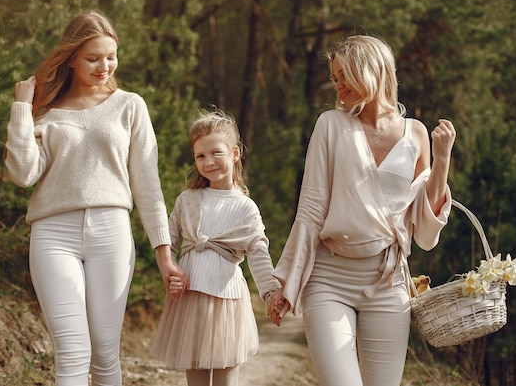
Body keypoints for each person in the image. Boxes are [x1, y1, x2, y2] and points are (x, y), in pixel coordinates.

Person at [4, 10, 186, 386]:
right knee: (72, 353)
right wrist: (22, 107)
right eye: (92, 58)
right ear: (71, 57)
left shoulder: (130, 105)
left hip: (111, 234)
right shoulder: (46, 111)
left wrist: (164, 255)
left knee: (104, 354)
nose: (104, 66)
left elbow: (147, 184)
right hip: (53, 236)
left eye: (111, 56)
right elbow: (23, 174)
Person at [267, 35, 457, 386]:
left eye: (343, 76)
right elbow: (310, 208)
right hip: (328, 279)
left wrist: (442, 159)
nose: (337, 85)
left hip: (388, 283)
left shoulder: (415, 134)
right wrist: (288, 283)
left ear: (369, 71)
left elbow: (426, 231)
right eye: (334, 78)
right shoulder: (330, 125)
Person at [150, 110, 282, 386]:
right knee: (195, 374)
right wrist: (172, 275)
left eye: (216, 153)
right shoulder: (187, 199)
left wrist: (271, 293)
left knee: (226, 378)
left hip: (227, 301)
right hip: (190, 299)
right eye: (200, 156)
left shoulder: (245, 207)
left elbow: (258, 253)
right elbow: (168, 243)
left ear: (234, 154)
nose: (208, 162)